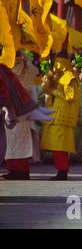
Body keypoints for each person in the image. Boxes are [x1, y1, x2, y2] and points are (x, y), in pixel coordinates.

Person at [41, 55, 81, 181]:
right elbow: (46, 90)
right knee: (54, 145)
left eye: (58, 62)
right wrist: (49, 79)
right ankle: (60, 169)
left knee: (61, 146)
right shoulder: (56, 76)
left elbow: (71, 96)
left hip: (63, 117)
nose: (56, 64)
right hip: (53, 115)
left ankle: (63, 171)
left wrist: (56, 91)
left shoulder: (70, 77)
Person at [3, 51, 40, 180]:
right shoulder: (6, 69)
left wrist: (26, 60)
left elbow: (32, 78)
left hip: (22, 111)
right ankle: (12, 169)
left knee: (21, 141)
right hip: (8, 109)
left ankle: (22, 170)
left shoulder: (27, 71)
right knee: (9, 142)